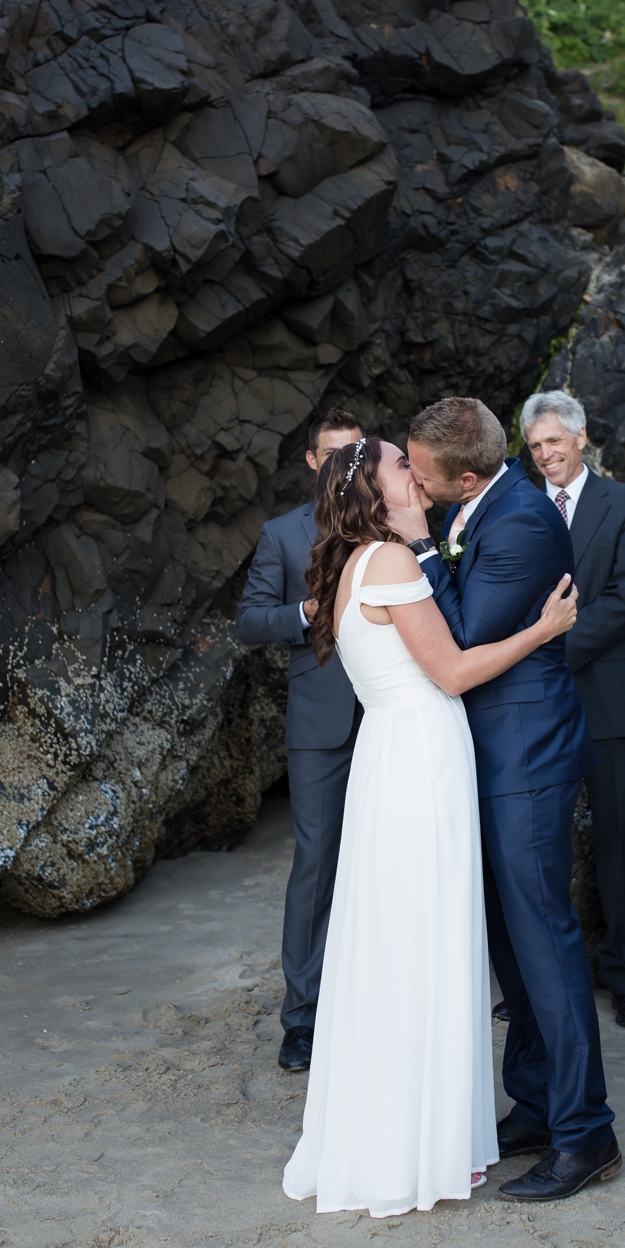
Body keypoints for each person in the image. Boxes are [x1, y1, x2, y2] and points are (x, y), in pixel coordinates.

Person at [281, 437, 580, 1217]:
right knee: (425, 942)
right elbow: (452, 671)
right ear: (377, 492)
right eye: (397, 465)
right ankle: (416, 1143)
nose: (413, 472)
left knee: (397, 943)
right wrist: (543, 632)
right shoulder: (388, 562)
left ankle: (406, 1129)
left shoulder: (353, 563)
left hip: (393, 757)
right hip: (421, 756)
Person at [389, 397, 622, 1204]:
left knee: (544, 941)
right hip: (483, 755)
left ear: (466, 475)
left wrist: (420, 545)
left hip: (524, 755)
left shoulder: (519, 520)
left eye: (421, 475)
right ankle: (537, 1105)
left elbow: (462, 636)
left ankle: (588, 1132)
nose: (412, 485)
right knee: (507, 945)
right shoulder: (483, 506)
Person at [521, 390, 625, 1030]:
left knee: (619, 836)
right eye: (535, 445)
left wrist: (547, 650)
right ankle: (534, 983)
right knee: (534, 840)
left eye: (554, 441)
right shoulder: (516, 509)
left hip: (602, 691)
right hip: (530, 701)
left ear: (580, 438)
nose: (545, 453)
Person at [236, 407, 363, 1072]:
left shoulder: (389, 524)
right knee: (316, 865)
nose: (347, 466)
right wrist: (306, 612)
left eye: (357, 452)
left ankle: (375, 1001)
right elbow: (250, 621)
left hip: (394, 715)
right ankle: (303, 1018)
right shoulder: (282, 535)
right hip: (320, 724)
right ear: (313, 462)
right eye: (334, 455)